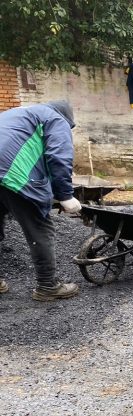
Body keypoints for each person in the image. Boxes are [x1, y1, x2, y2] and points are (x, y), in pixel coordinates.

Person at [0, 101, 81, 301]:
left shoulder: (18, 113)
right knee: (40, 229)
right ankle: (47, 286)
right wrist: (65, 195)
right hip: (13, 175)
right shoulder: (55, 119)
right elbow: (59, 156)